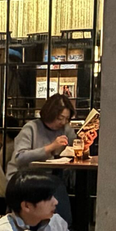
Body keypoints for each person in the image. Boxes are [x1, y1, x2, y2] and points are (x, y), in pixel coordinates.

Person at [7, 93, 77, 223]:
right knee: (54, 192)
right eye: (60, 118)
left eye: (67, 119)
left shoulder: (65, 129)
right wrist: (50, 148)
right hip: (25, 177)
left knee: (60, 197)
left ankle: (62, 228)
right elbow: (19, 157)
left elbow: (75, 144)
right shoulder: (31, 128)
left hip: (49, 177)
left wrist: (82, 142)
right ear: (50, 114)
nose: (63, 122)